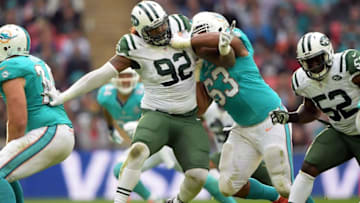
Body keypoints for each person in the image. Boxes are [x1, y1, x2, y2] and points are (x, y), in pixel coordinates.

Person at [47, 1, 211, 203]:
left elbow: (210, 37)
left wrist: (198, 43)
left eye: (162, 25)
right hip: (157, 112)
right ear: (141, 32)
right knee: (138, 151)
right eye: (154, 30)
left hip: (188, 116)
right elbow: (99, 76)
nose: (162, 31)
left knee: (199, 176)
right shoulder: (134, 46)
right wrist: (64, 96)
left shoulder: (180, 24)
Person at [170, 11, 301, 203]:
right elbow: (200, 109)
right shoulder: (204, 70)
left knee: (286, 187)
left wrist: (189, 42)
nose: (202, 46)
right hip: (243, 129)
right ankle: (276, 198)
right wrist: (197, 72)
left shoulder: (236, 39)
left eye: (202, 38)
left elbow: (224, 41)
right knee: (228, 186)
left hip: (270, 118)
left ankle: (287, 194)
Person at [98, 69, 236, 203]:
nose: (125, 80)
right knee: (119, 170)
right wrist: (111, 128)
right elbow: (106, 107)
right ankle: (153, 199)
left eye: (128, 76)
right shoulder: (105, 95)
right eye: (121, 76)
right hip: (147, 148)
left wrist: (141, 124)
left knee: (202, 177)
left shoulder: (144, 93)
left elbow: (163, 115)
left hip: (169, 145)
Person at [270, 32, 360, 203]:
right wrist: (290, 118)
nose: (314, 65)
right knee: (309, 167)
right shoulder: (301, 80)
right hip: (340, 132)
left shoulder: (347, 63)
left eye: (318, 59)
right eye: (308, 62)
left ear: (328, 53)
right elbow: (311, 112)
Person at [0, 24, 74, 203]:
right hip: (57, 130)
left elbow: (18, 119)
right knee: (6, 173)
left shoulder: (11, 66)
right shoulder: (35, 62)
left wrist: (11, 145)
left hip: (48, 130)